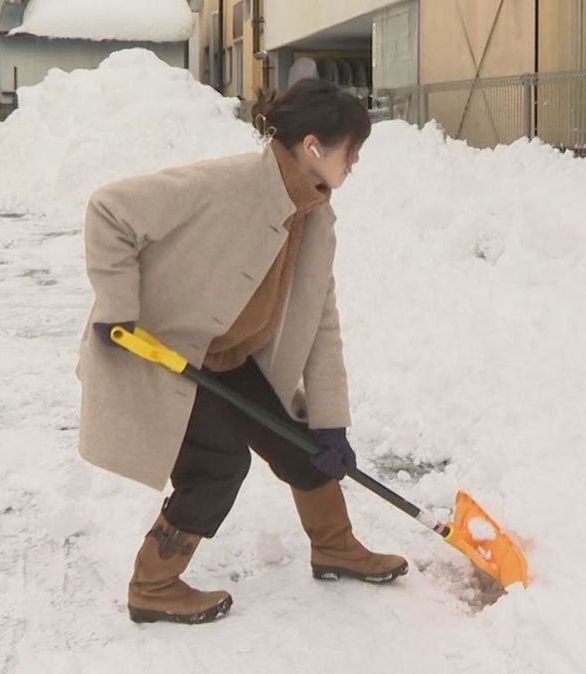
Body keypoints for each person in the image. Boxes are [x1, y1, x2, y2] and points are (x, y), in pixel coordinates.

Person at [75, 78, 407, 625]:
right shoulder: (225, 185)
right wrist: (117, 306)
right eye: (353, 150)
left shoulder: (314, 218)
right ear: (313, 147)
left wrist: (331, 425)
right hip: (164, 350)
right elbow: (110, 209)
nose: (355, 164)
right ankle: (153, 583)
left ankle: (334, 546)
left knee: (300, 443)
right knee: (218, 462)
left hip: (229, 355)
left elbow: (322, 325)